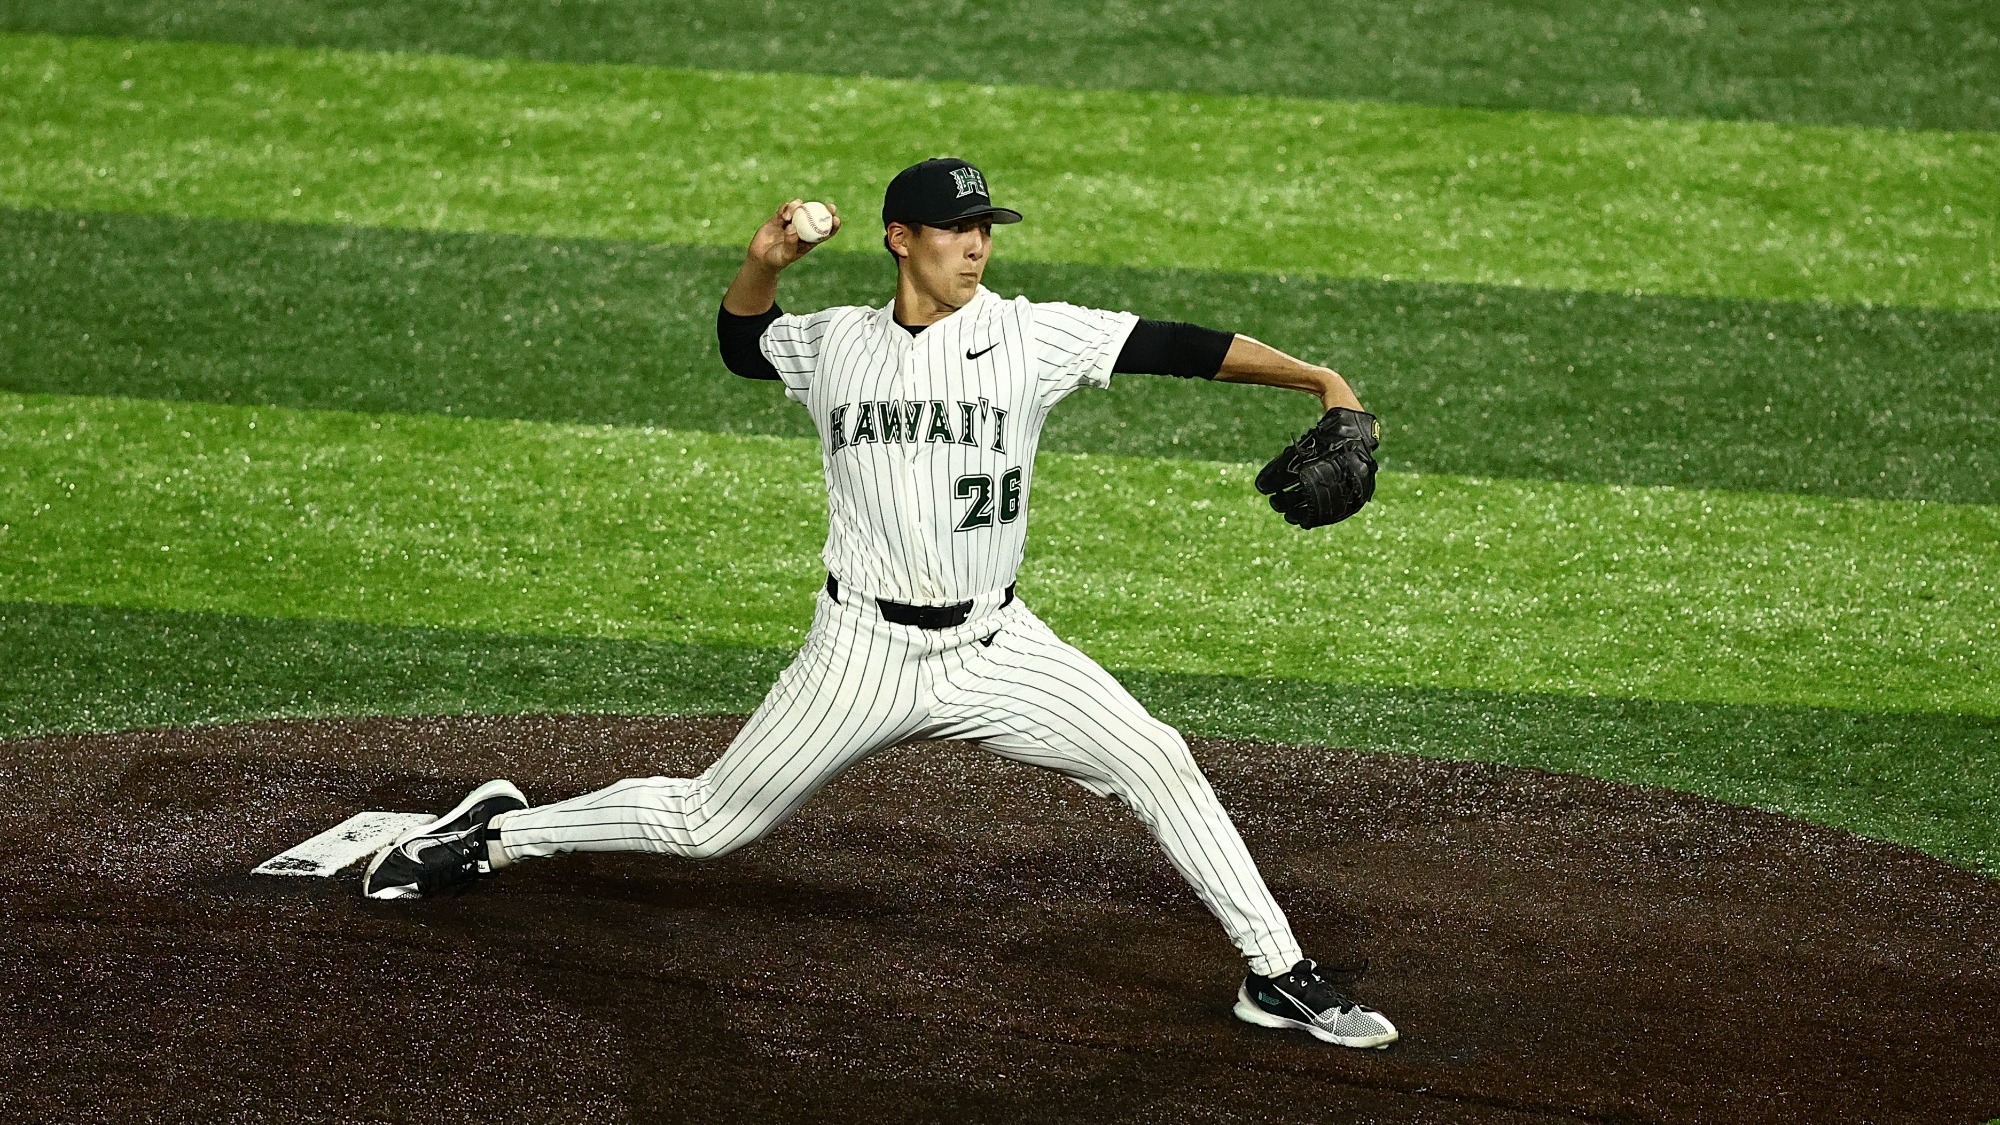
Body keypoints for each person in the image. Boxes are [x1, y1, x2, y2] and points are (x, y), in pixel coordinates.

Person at [363, 157, 1396, 1049]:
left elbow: (1182, 345)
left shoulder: (1033, 335)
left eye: (985, 228)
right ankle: (495, 834)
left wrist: (1322, 381)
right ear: (901, 238)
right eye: (955, 229)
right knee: (707, 824)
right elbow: (741, 344)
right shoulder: (836, 343)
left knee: (1155, 757)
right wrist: (765, 262)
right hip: (858, 651)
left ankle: (1276, 972)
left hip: (995, 646)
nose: (976, 246)